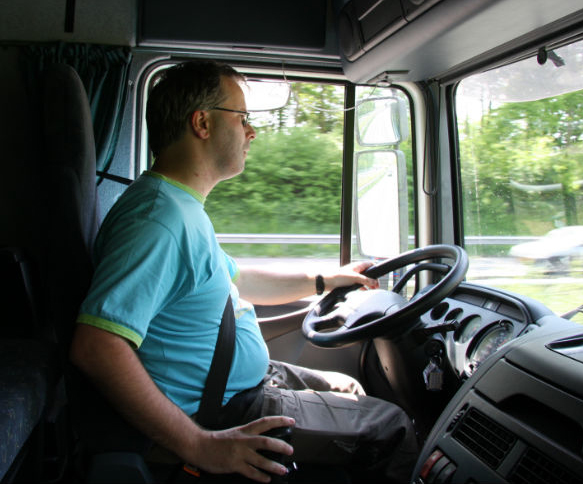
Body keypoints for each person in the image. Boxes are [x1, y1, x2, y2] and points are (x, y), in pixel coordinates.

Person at [70, 60, 418, 484]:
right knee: (394, 428)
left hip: (245, 386)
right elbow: (96, 346)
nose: (251, 132)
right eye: (242, 118)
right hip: (221, 411)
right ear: (202, 122)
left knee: (350, 387)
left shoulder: (179, 206)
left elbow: (235, 280)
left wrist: (326, 280)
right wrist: (200, 445)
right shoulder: (158, 222)